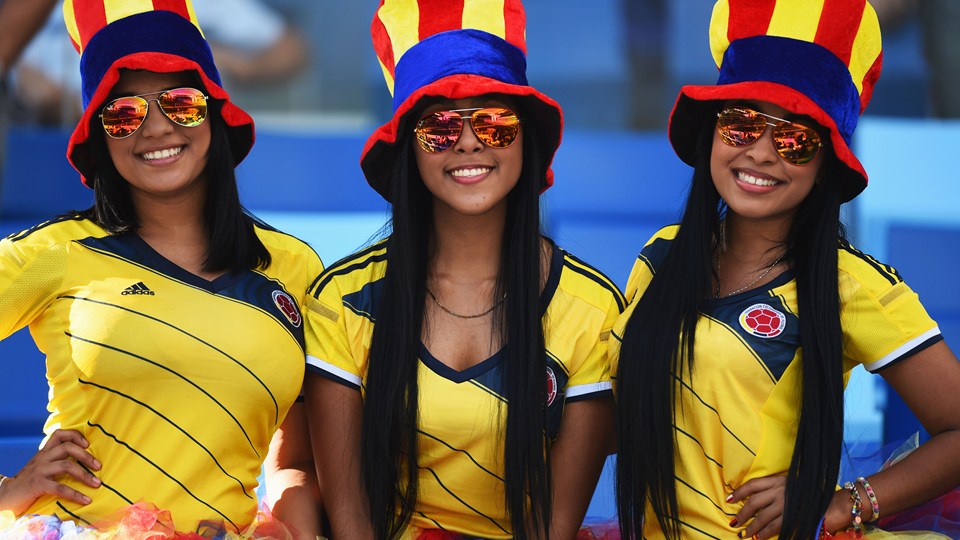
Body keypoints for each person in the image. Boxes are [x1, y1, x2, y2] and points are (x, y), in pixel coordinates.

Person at [611, 0, 960, 539]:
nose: (763, 152)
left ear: (827, 165)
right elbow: (611, 410)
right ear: (712, 133)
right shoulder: (661, 254)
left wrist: (850, 501)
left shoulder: (851, 284)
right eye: (742, 123)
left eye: (796, 139)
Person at [299, 0, 624, 538]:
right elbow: (350, 516)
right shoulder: (342, 298)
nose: (470, 140)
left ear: (527, 141)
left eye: (495, 122)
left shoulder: (591, 309)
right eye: (440, 127)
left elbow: (553, 527)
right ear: (409, 149)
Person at [0, 1, 321, 537]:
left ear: (216, 114)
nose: (155, 127)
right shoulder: (53, 252)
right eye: (123, 114)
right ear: (99, 138)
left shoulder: (294, 266)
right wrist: (7, 490)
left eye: (180, 103)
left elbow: (297, 463)